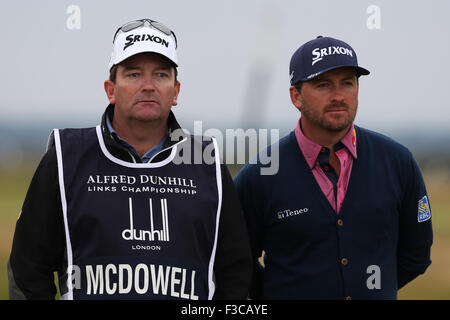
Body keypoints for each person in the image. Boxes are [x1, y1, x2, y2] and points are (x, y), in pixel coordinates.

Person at [8, 18, 252, 300]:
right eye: (133, 74)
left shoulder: (206, 162)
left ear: (176, 91)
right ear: (110, 90)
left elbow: (235, 272)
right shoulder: (65, 156)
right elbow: (28, 269)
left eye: (161, 75)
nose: (148, 85)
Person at [234, 36, 433, 300]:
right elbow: (236, 261)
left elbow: (416, 254)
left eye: (347, 83)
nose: (338, 95)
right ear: (296, 96)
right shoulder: (259, 175)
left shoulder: (398, 161)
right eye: (323, 84)